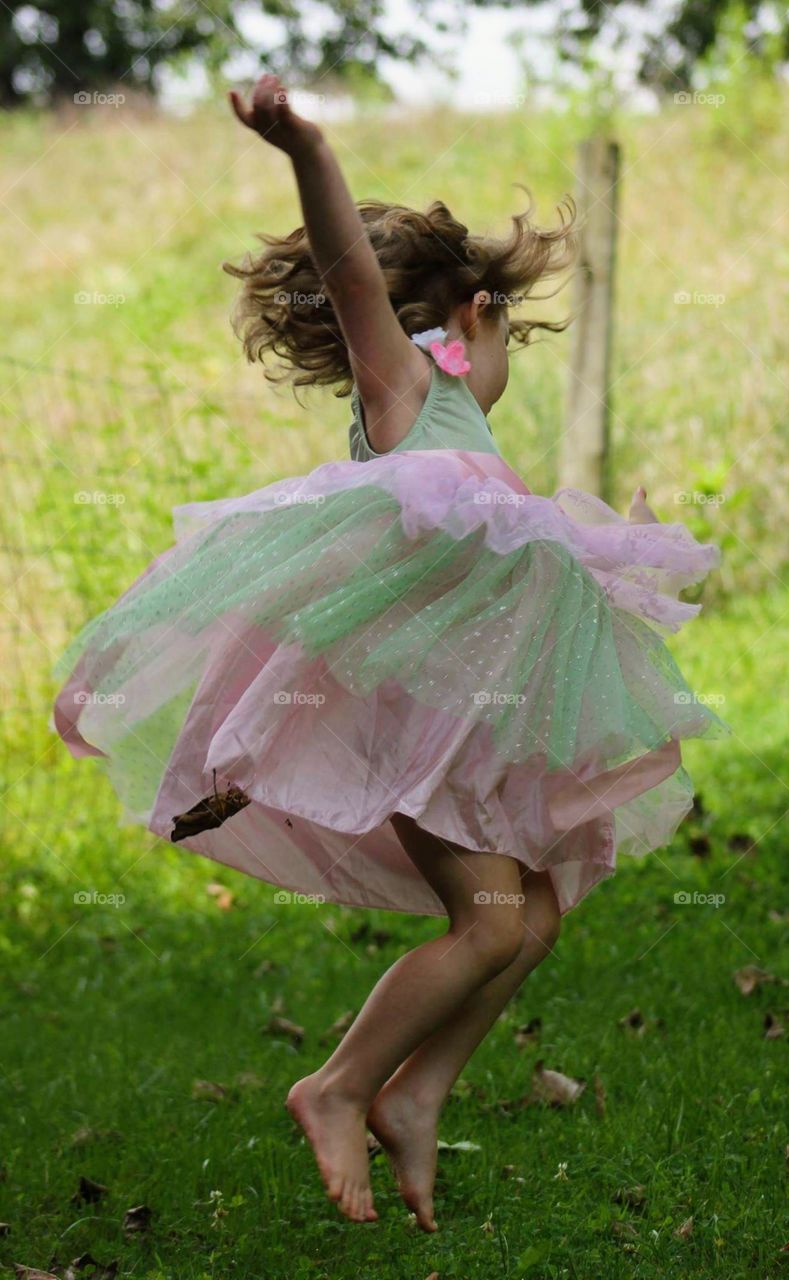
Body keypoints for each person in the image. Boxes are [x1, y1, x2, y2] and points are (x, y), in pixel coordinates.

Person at [51, 73, 730, 1232]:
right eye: (508, 333)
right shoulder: (408, 387)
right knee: (492, 923)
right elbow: (352, 269)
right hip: (413, 734)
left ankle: (418, 1091)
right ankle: (341, 1082)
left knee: (537, 910)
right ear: (471, 317)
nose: (510, 362)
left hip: (452, 723)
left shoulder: (458, 448)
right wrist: (304, 144)